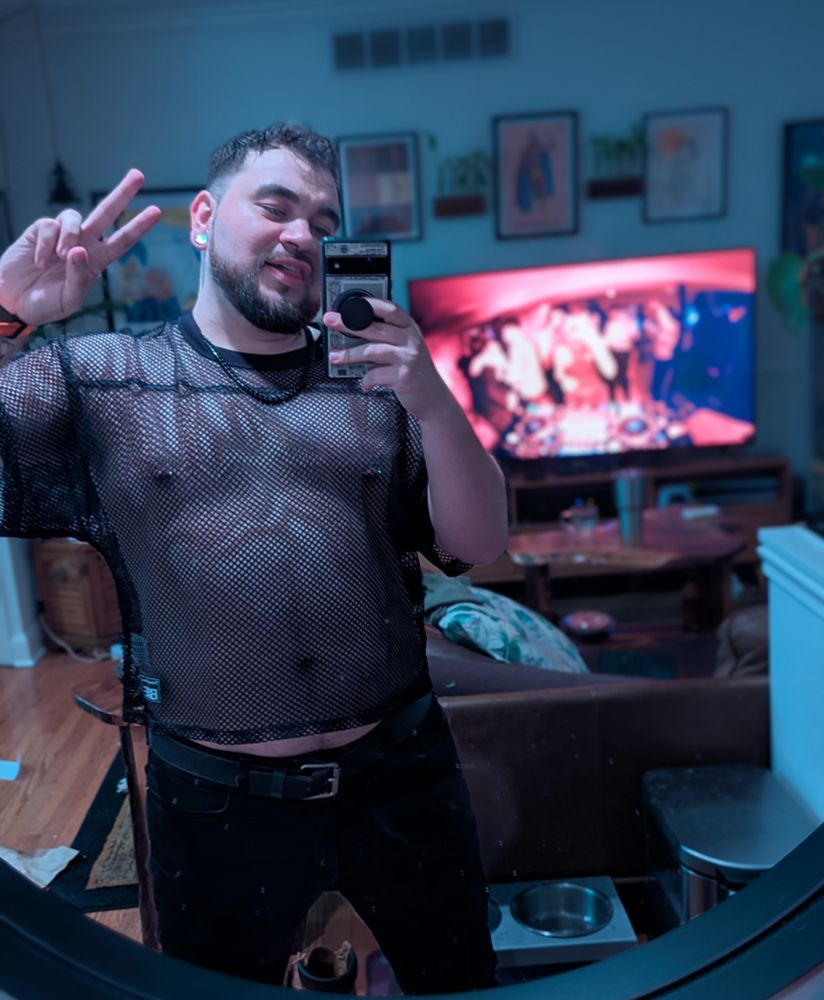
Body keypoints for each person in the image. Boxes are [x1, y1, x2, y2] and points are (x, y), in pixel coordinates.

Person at [0, 123, 507, 993]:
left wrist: (432, 397)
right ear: (203, 218)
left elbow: (479, 543)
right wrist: (5, 316)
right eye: (275, 206)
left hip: (401, 775)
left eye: (322, 218)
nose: (303, 235)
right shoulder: (105, 376)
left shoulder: (380, 386)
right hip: (212, 803)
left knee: (460, 985)